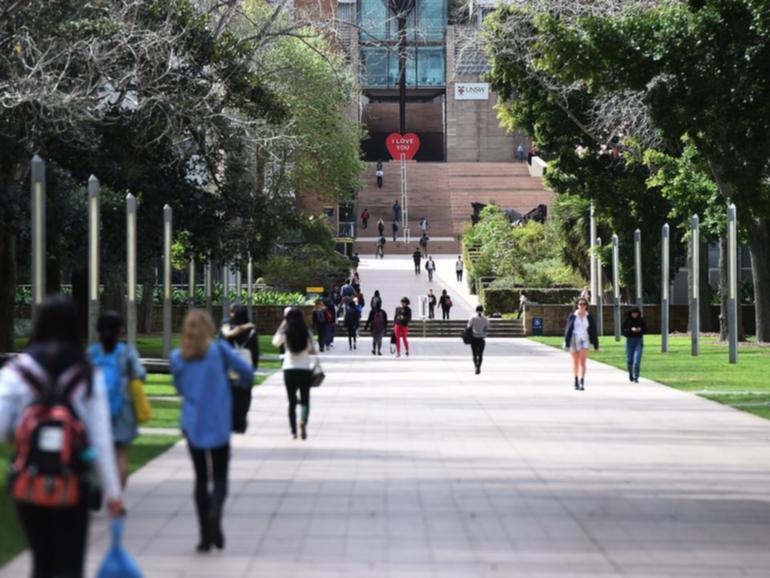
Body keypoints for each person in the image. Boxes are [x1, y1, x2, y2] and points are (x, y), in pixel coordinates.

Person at [0, 297, 123, 578]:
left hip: (29, 480)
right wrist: (113, 493)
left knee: (42, 562)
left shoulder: (16, 372)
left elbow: (3, 426)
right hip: (72, 480)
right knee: (69, 564)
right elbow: (101, 440)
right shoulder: (87, 373)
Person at [171, 309, 253, 552]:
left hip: (193, 422)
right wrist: (234, 383)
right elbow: (247, 372)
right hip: (218, 420)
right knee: (219, 477)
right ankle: (215, 513)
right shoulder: (219, 350)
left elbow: (179, 388)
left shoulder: (178, 357)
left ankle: (204, 537)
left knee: (200, 478)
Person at [87, 310, 147, 489]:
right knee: (121, 452)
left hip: (97, 409)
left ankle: (98, 488)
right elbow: (140, 375)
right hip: (123, 408)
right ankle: (117, 497)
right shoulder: (127, 352)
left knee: (97, 451)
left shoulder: (92, 353)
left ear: (98, 330)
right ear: (120, 331)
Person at [273, 308, 317, 440]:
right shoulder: (306, 332)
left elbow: (275, 342)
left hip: (289, 368)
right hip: (304, 368)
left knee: (292, 402)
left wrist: (282, 325)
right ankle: (303, 421)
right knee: (305, 400)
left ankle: (293, 431)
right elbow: (312, 350)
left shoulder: (286, 332)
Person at [563, 297, 599, 391]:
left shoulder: (589, 316)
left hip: (585, 339)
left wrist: (596, 345)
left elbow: (593, 331)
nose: (582, 305)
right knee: (575, 362)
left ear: (586, 306)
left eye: (584, 304)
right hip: (574, 339)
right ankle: (576, 380)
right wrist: (566, 343)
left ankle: (582, 381)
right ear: (577, 305)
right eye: (580, 304)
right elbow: (568, 330)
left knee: (582, 361)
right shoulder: (572, 315)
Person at [622, 307, 646, 383]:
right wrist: (631, 329)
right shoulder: (627, 320)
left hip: (638, 341)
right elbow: (623, 331)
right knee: (630, 360)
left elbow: (645, 329)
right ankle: (631, 373)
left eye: (636, 313)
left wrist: (640, 329)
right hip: (629, 341)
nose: (635, 315)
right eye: (633, 313)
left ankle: (636, 376)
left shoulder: (641, 320)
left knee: (637, 361)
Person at [467, 305, 489, 374]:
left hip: (474, 338)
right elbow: (487, 327)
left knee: (474, 354)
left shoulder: (473, 318)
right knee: (480, 354)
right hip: (481, 338)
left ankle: (476, 366)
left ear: (476, 310)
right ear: (482, 311)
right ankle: (479, 367)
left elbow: (469, 326)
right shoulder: (485, 319)